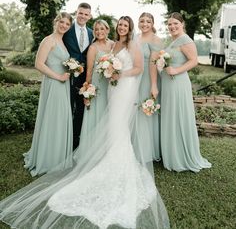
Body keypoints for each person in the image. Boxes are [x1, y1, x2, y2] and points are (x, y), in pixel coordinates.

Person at [0, 16, 170, 229]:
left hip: (125, 88)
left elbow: (139, 69)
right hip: (112, 88)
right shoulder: (114, 44)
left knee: (118, 125)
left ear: (130, 28)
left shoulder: (131, 44)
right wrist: (109, 73)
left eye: (126, 25)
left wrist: (118, 73)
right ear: (117, 27)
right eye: (121, 25)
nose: (123, 27)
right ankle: (110, 156)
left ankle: (119, 161)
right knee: (112, 125)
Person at [151, 12, 212, 172]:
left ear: (182, 24)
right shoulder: (173, 41)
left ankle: (181, 155)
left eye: (175, 24)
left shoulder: (185, 40)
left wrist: (176, 70)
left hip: (178, 83)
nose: (172, 27)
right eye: (170, 24)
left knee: (178, 116)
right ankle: (171, 152)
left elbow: (194, 61)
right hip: (169, 84)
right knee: (171, 116)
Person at [23, 12, 73, 177]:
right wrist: (58, 76)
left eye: (67, 24)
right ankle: (48, 158)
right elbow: (38, 64)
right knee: (53, 118)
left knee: (60, 118)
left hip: (62, 84)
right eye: (62, 22)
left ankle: (58, 155)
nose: (64, 26)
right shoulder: (48, 40)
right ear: (56, 21)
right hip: (53, 83)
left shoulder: (61, 41)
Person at [132, 12, 163, 163]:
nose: (144, 24)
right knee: (133, 111)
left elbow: (153, 63)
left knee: (145, 112)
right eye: (142, 21)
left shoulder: (156, 40)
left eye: (148, 21)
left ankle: (146, 150)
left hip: (147, 79)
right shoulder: (135, 37)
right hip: (133, 79)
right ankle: (132, 147)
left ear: (152, 24)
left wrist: (153, 85)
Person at [63, 2, 93, 150]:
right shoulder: (66, 29)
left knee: (80, 106)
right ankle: (63, 136)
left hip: (84, 77)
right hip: (66, 74)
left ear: (90, 16)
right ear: (76, 12)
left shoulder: (91, 33)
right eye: (80, 13)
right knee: (66, 105)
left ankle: (75, 140)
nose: (83, 16)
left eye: (86, 14)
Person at [79, 19, 114, 145]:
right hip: (97, 84)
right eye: (96, 29)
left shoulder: (113, 45)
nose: (99, 32)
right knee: (97, 112)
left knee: (109, 112)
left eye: (102, 29)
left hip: (110, 83)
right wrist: (87, 92)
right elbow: (89, 71)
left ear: (107, 30)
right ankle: (93, 146)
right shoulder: (93, 48)